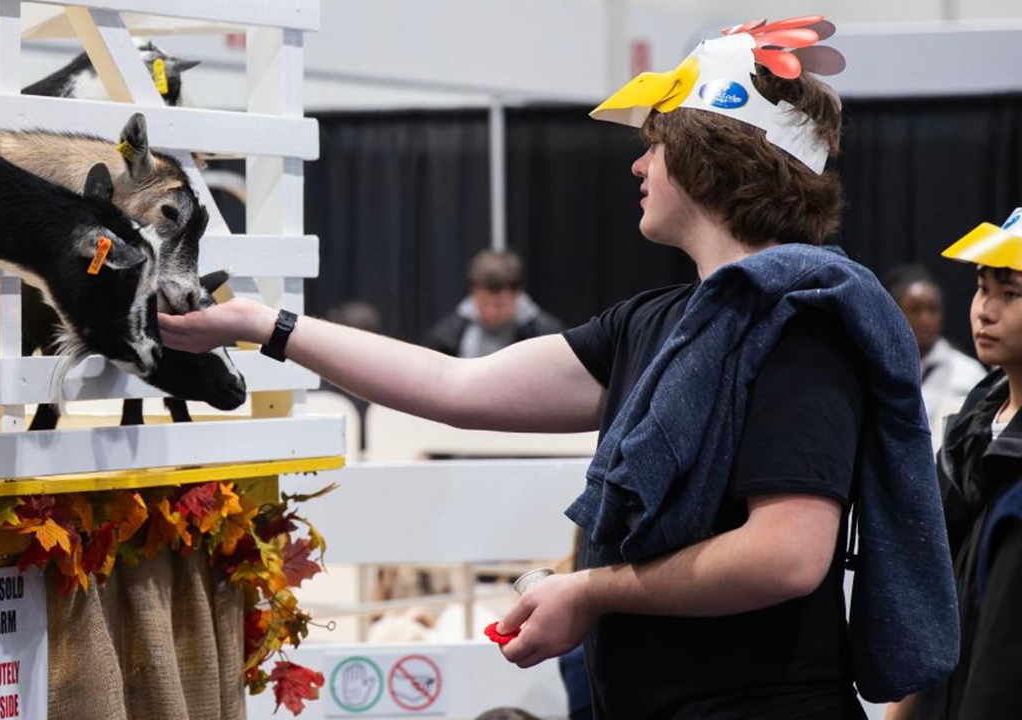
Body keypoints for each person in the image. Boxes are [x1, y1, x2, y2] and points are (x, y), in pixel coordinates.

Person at [159, 16, 957, 720]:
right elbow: (456, 387)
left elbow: (786, 556)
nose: (639, 167)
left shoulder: (799, 322)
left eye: (655, 143)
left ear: (709, 159)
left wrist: (592, 590)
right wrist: (261, 325)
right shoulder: (662, 322)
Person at [898, 209, 1022, 720]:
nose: (985, 311)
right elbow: (938, 581)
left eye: (1010, 294)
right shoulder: (975, 421)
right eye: (980, 288)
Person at [882, 264, 986, 449]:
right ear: (896, 313)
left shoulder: (968, 373)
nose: (925, 319)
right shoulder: (880, 369)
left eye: (933, 309)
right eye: (915, 310)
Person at [428, 249, 563, 358]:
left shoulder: (546, 335)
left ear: (517, 295)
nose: (491, 312)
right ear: (472, 295)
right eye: (483, 304)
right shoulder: (448, 335)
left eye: (499, 305)